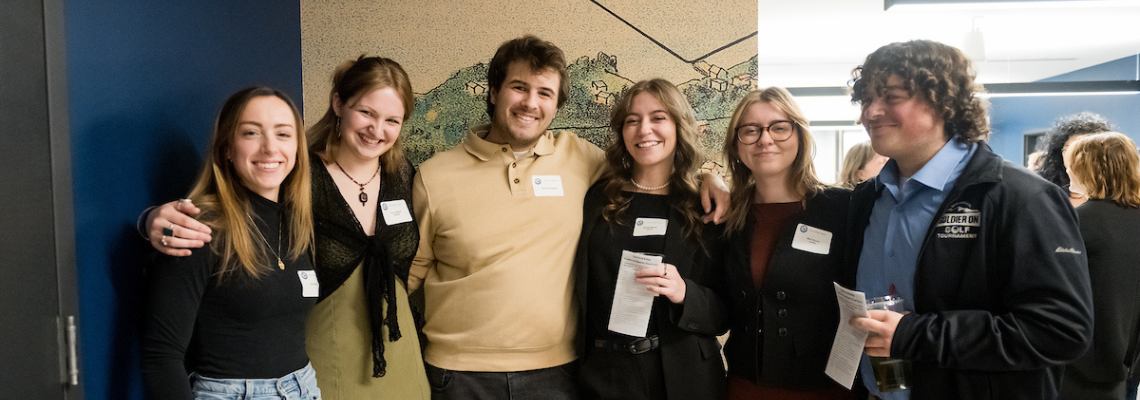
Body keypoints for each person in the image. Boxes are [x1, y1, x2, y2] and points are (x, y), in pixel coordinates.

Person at [408, 36, 729, 400]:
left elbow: (652, 165)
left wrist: (708, 179)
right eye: (519, 87)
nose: (531, 103)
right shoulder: (434, 176)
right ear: (494, 92)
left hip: (555, 373)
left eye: (545, 93)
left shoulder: (580, 159)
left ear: (556, 105)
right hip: (459, 374)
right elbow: (410, 272)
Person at [143, 56, 431, 399]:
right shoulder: (291, 184)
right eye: (366, 112)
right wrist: (150, 221)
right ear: (338, 104)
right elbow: (161, 354)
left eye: (392, 120)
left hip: (337, 374)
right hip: (315, 365)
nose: (377, 129)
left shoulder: (400, 177)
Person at [845, 40, 1093, 400]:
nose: (871, 112)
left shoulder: (1020, 198)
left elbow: (1061, 330)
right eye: (866, 99)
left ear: (944, 102)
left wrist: (914, 335)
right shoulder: (869, 199)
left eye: (892, 97)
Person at [141, 86, 321, 399]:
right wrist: (147, 220)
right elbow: (161, 356)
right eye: (251, 133)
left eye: (283, 134)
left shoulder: (296, 222)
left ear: (297, 149)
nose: (270, 148)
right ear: (227, 148)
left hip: (303, 386)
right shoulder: (198, 227)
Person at [573, 79, 729, 400]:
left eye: (658, 118)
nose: (644, 130)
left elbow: (726, 311)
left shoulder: (706, 205)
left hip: (686, 377)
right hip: (605, 376)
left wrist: (684, 292)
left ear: (679, 126)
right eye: (633, 120)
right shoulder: (595, 198)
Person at [720, 87, 853, 400]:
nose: (765, 139)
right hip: (745, 387)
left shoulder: (843, 209)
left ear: (800, 136)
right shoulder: (726, 216)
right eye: (750, 130)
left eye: (779, 128)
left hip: (825, 388)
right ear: (736, 144)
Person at [1059, 132, 1140, 400]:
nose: (1068, 171)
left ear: (1091, 170)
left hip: (1081, 367)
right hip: (1128, 363)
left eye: (1073, 165)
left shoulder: (1076, 222)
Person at [1035, 112, 1112, 207]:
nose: (1072, 156)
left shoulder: (1117, 195)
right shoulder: (1046, 194)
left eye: (1081, 150)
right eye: (1067, 149)